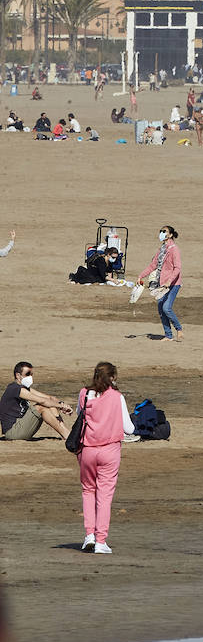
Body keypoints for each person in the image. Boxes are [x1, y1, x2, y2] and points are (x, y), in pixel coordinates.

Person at [75, 362, 134, 554]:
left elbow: (79, 415)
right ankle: (100, 540)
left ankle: (89, 536)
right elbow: (129, 428)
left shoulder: (84, 393)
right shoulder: (117, 397)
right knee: (105, 495)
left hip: (87, 450)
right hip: (109, 450)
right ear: (113, 378)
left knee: (88, 491)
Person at [1, 361, 73, 441]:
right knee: (41, 407)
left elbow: (50, 398)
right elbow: (43, 402)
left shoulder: (25, 388)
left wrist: (61, 404)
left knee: (50, 403)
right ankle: (67, 434)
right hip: (12, 432)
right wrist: (61, 406)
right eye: (27, 374)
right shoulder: (15, 389)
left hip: (21, 427)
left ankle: (65, 432)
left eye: (31, 374)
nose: (30, 377)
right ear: (18, 375)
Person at [137, 225, 183, 342]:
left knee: (166, 308)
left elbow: (177, 268)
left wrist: (169, 281)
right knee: (161, 310)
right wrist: (141, 275)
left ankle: (179, 329)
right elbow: (153, 265)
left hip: (173, 284)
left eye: (164, 231)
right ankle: (168, 335)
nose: (162, 233)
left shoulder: (174, 249)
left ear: (171, 235)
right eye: (161, 231)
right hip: (161, 283)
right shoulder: (162, 249)